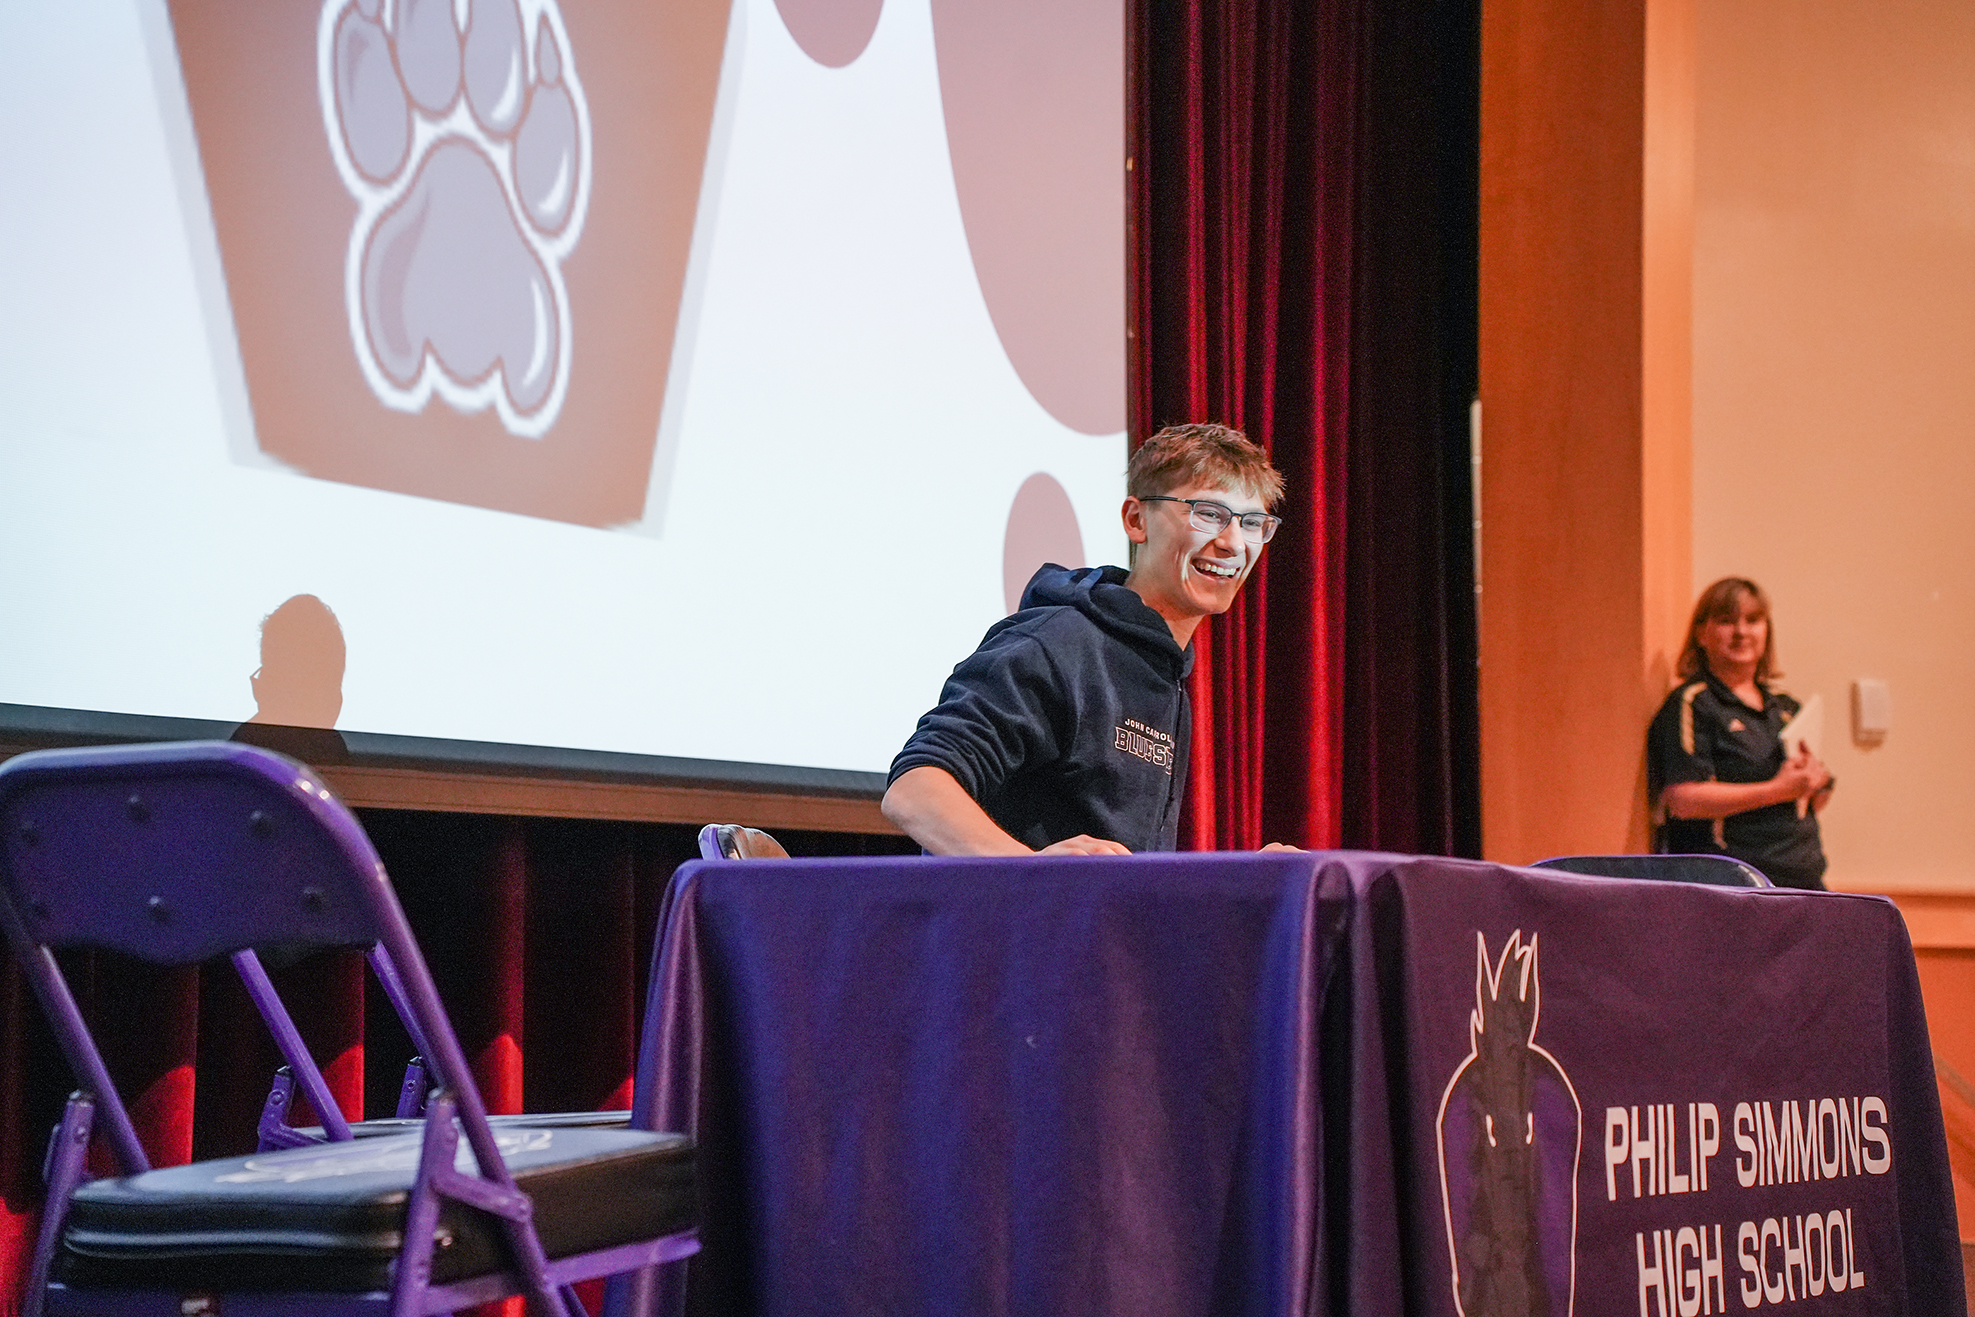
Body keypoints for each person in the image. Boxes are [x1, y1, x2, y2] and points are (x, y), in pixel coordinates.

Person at [883, 423, 1284, 855]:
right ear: (1136, 520)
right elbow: (915, 789)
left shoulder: (1164, 668)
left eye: (1253, 523)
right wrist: (1032, 870)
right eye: (1208, 514)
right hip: (1010, 924)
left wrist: (1250, 880)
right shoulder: (1059, 644)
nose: (1233, 543)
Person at [1647, 578, 1833, 889]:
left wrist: (1815, 782)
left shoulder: (1787, 708)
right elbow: (1683, 800)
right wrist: (1778, 789)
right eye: (1726, 621)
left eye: (1753, 620)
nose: (1741, 632)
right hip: (1733, 885)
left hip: (1804, 878)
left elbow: (1813, 800)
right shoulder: (1694, 703)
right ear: (1701, 634)